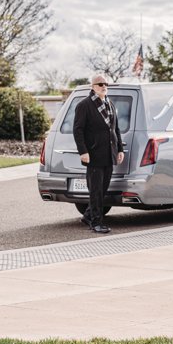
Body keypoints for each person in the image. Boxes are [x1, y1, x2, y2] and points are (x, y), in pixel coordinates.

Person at [72, 73, 124, 234]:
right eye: (100, 84)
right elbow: (78, 130)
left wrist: (120, 149)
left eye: (105, 84)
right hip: (93, 154)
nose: (104, 87)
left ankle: (88, 215)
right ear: (93, 87)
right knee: (95, 191)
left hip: (109, 153)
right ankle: (96, 223)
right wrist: (83, 152)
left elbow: (115, 129)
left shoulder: (110, 104)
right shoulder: (84, 105)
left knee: (103, 189)